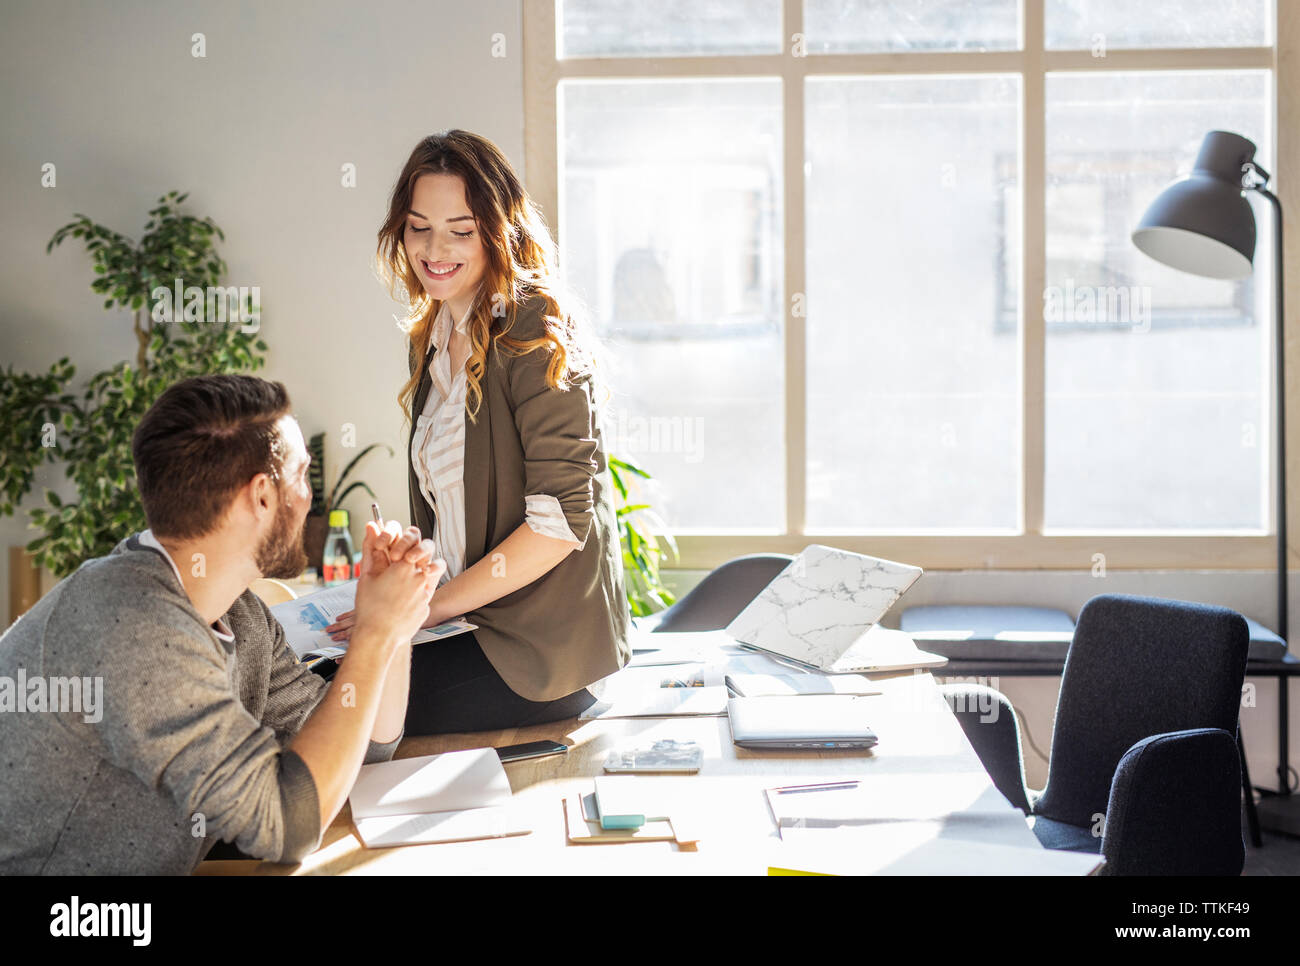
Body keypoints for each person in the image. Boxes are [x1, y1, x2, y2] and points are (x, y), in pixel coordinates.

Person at [0, 375, 441, 874]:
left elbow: (359, 749)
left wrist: (396, 623)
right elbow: (292, 824)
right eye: (302, 476)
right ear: (261, 497)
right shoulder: (135, 630)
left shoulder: (240, 612)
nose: (310, 499)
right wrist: (374, 633)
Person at [326, 130, 632, 734]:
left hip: (540, 656)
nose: (435, 248)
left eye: (461, 230)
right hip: (472, 624)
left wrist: (418, 612)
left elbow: (560, 524)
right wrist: (401, 586)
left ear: (499, 231)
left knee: (335, 704)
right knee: (305, 678)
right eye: (418, 227)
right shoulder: (435, 331)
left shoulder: (531, 323)